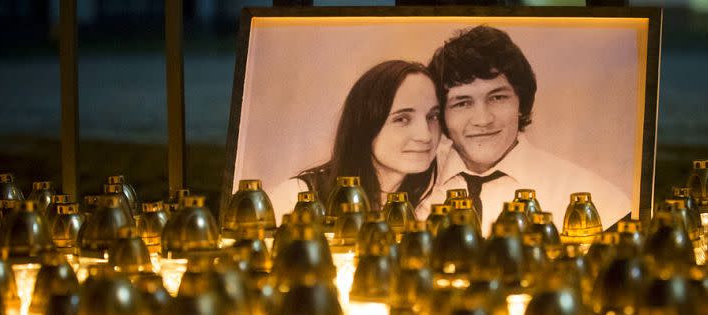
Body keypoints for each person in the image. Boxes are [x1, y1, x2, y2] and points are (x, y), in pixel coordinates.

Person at [419, 25, 631, 236]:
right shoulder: (411, 191)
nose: (482, 120)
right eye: (462, 103)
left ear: (521, 104)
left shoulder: (602, 201)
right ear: (441, 115)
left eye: (497, 97)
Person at [268, 60, 441, 220]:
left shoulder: (435, 201)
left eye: (432, 116)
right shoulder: (294, 199)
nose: (425, 136)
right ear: (365, 125)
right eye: (402, 119)